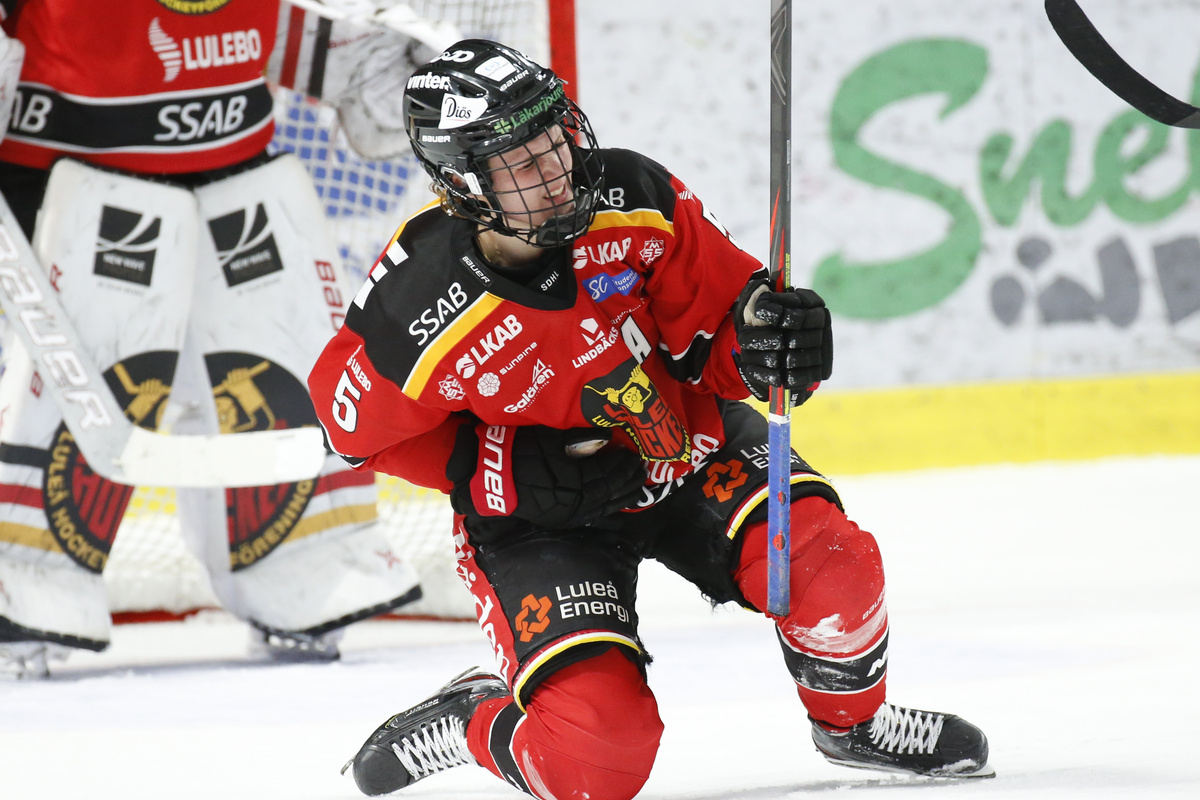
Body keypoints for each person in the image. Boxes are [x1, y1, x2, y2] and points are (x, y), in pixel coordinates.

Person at [307, 39, 993, 800]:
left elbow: (719, 339)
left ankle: (853, 724)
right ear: (465, 184)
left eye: (555, 139)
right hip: (542, 519)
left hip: (689, 450)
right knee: (595, 766)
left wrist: (767, 343)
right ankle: (474, 716)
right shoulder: (415, 307)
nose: (557, 169)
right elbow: (351, 434)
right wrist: (491, 466)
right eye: (522, 163)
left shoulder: (633, 197)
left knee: (834, 566)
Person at [0, 0, 429, 678]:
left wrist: (373, 62)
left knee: (287, 371)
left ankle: (303, 564)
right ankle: (24, 579)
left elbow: (285, 23)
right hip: (70, 183)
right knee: (81, 387)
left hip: (240, 171)